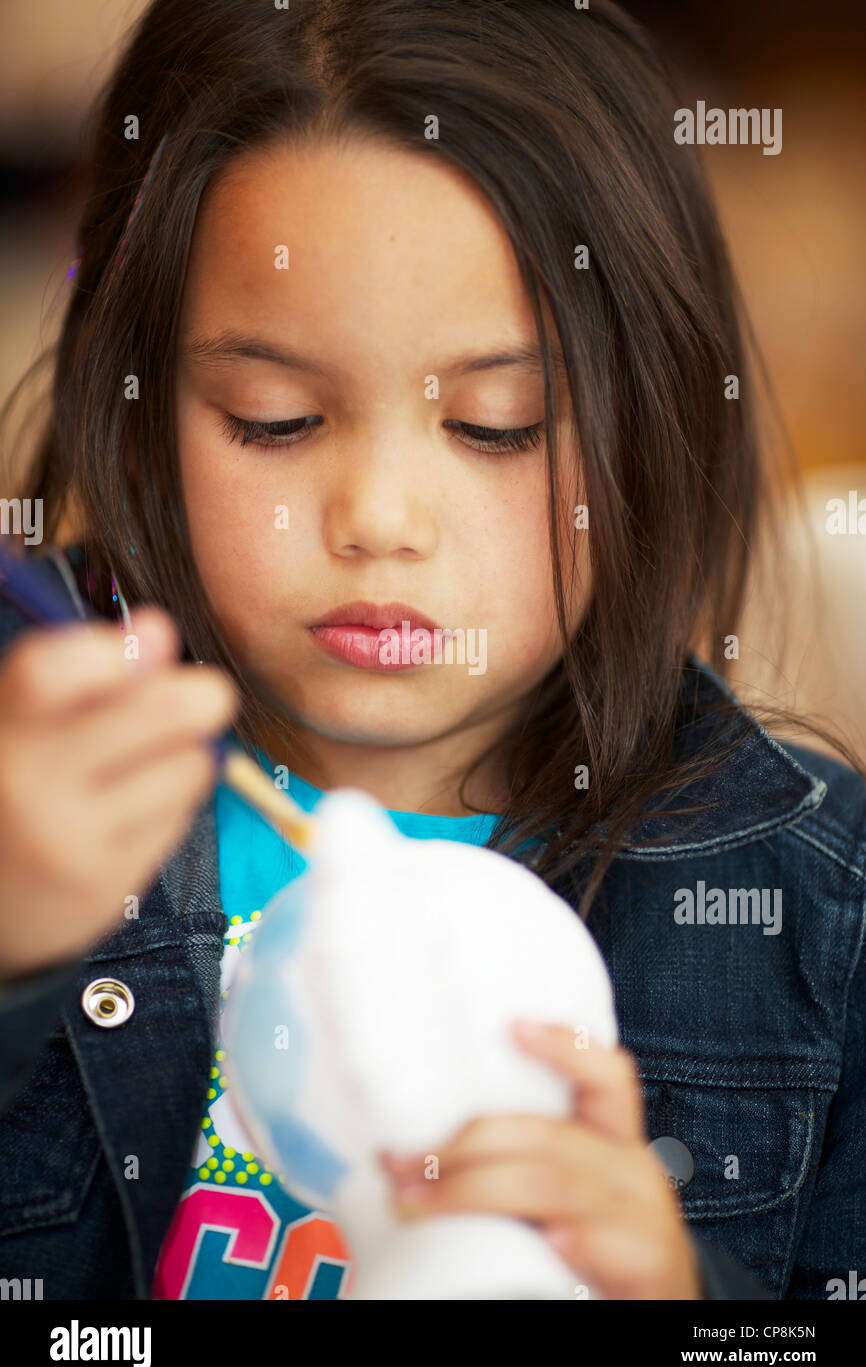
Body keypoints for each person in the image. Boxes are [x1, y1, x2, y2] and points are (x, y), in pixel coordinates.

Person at [0, 0, 863, 1301]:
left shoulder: (813, 907)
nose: (380, 521)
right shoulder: (27, 787)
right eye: (276, 420)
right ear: (136, 413)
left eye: (498, 424)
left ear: (652, 429)